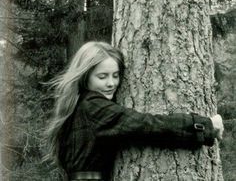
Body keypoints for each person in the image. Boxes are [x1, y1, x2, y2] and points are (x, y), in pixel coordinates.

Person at [45, 41, 224, 181]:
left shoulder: (79, 105)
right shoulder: (94, 107)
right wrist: (204, 125)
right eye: (102, 76)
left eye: (115, 75)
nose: (111, 83)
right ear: (85, 77)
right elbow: (146, 125)